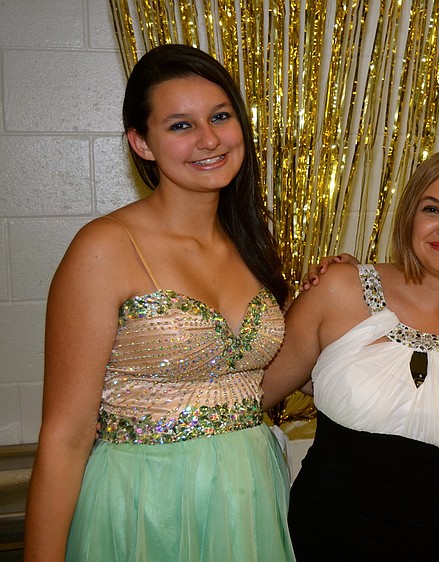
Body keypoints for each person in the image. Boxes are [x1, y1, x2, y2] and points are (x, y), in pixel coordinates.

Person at [23, 44, 296, 561]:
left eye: (220, 116)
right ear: (141, 143)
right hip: (144, 506)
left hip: (248, 499)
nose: (209, 139)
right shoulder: (104, 248)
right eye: (180, 125)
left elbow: (261, 381)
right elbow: (65, 435)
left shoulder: (250, 244)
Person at [260, 147, 439, 561]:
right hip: (325, 537)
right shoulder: (340, 287)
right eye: (433, 209)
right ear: (410, 216)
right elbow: (252, 395)